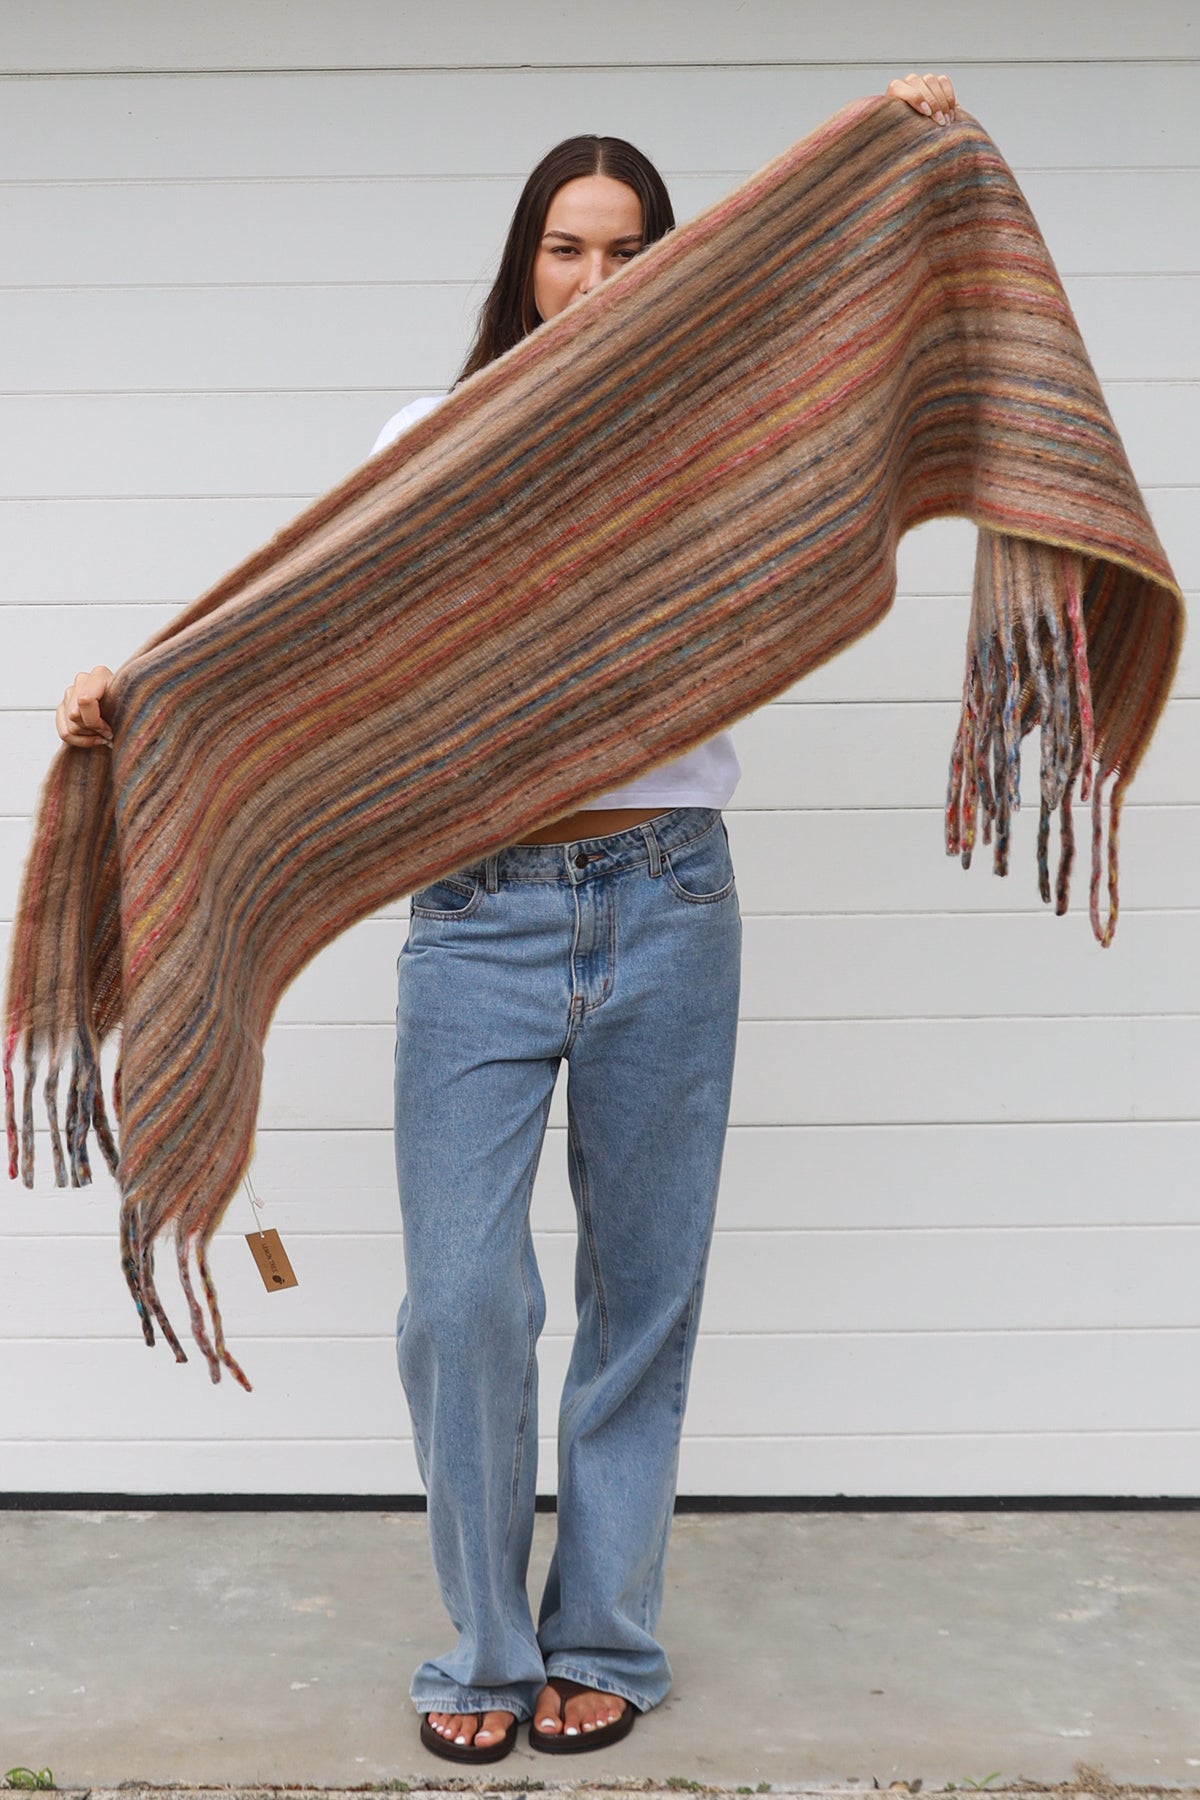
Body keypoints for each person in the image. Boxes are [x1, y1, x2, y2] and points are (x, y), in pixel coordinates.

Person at [57, 72, 959, 1765]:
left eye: (629, 250)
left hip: (670, 897)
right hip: (477, 917)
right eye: (566, 247)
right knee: (462, 1303)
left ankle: (602, 1636)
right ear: (522, 261)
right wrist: (146, 687)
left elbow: (853, 350)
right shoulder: (435, 436)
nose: (596, 280)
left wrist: (892, 142)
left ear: (673, 264)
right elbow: (301, 618)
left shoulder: (718, 436)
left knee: (643, 1300)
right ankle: (483, 1645)